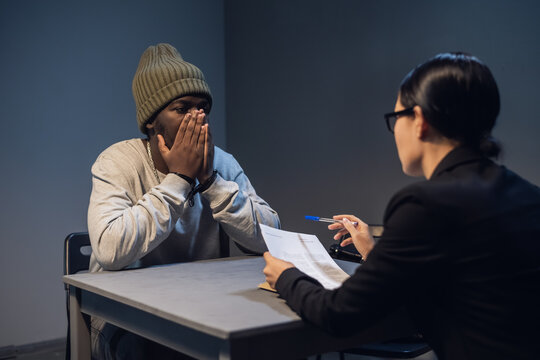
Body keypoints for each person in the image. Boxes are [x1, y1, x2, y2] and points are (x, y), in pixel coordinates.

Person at [263, 53, 540, 360]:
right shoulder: (527, 195)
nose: (395, 130)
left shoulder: (424, 204)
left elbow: (338, 314)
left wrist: (287, 276)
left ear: (419, 121)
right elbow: (463, 279)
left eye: (396, 118)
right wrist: (374, 251)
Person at [88, 43, 280, 359]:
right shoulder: (117, 161)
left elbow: (270, 236)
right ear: (152, 121)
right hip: (127, 315)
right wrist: (178, 180)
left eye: (203, 107)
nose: (198, 117)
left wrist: (211, 181)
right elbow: (110, 251)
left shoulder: (222, 163)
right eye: (183, 108)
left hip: (201, 306)